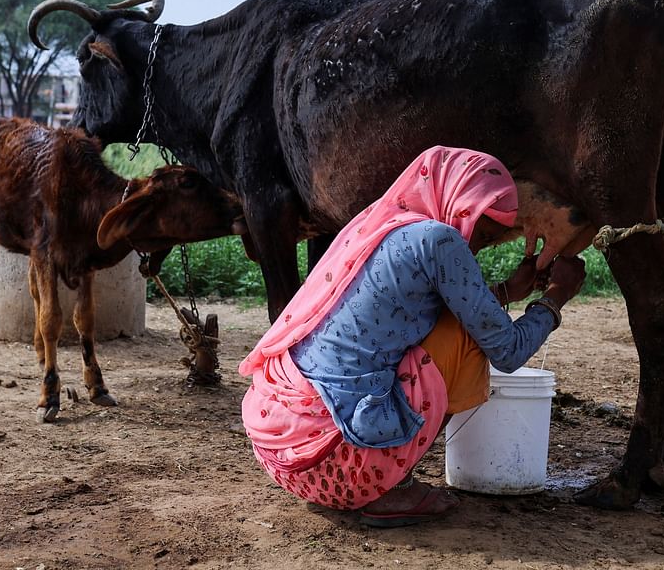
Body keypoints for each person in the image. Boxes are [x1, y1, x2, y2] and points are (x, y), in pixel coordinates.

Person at [239, 146, 586, 527]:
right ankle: (390, 489)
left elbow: (399, 310)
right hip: (340, 466)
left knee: (452, 326)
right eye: (480, 228)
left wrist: (504, 293)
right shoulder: (439, 240)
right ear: (455, 202)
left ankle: (386, 476)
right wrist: (556, 298)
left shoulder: (381, 225)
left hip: (284, 451)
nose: (476, 243)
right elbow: (507, 351)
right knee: (466, 339)